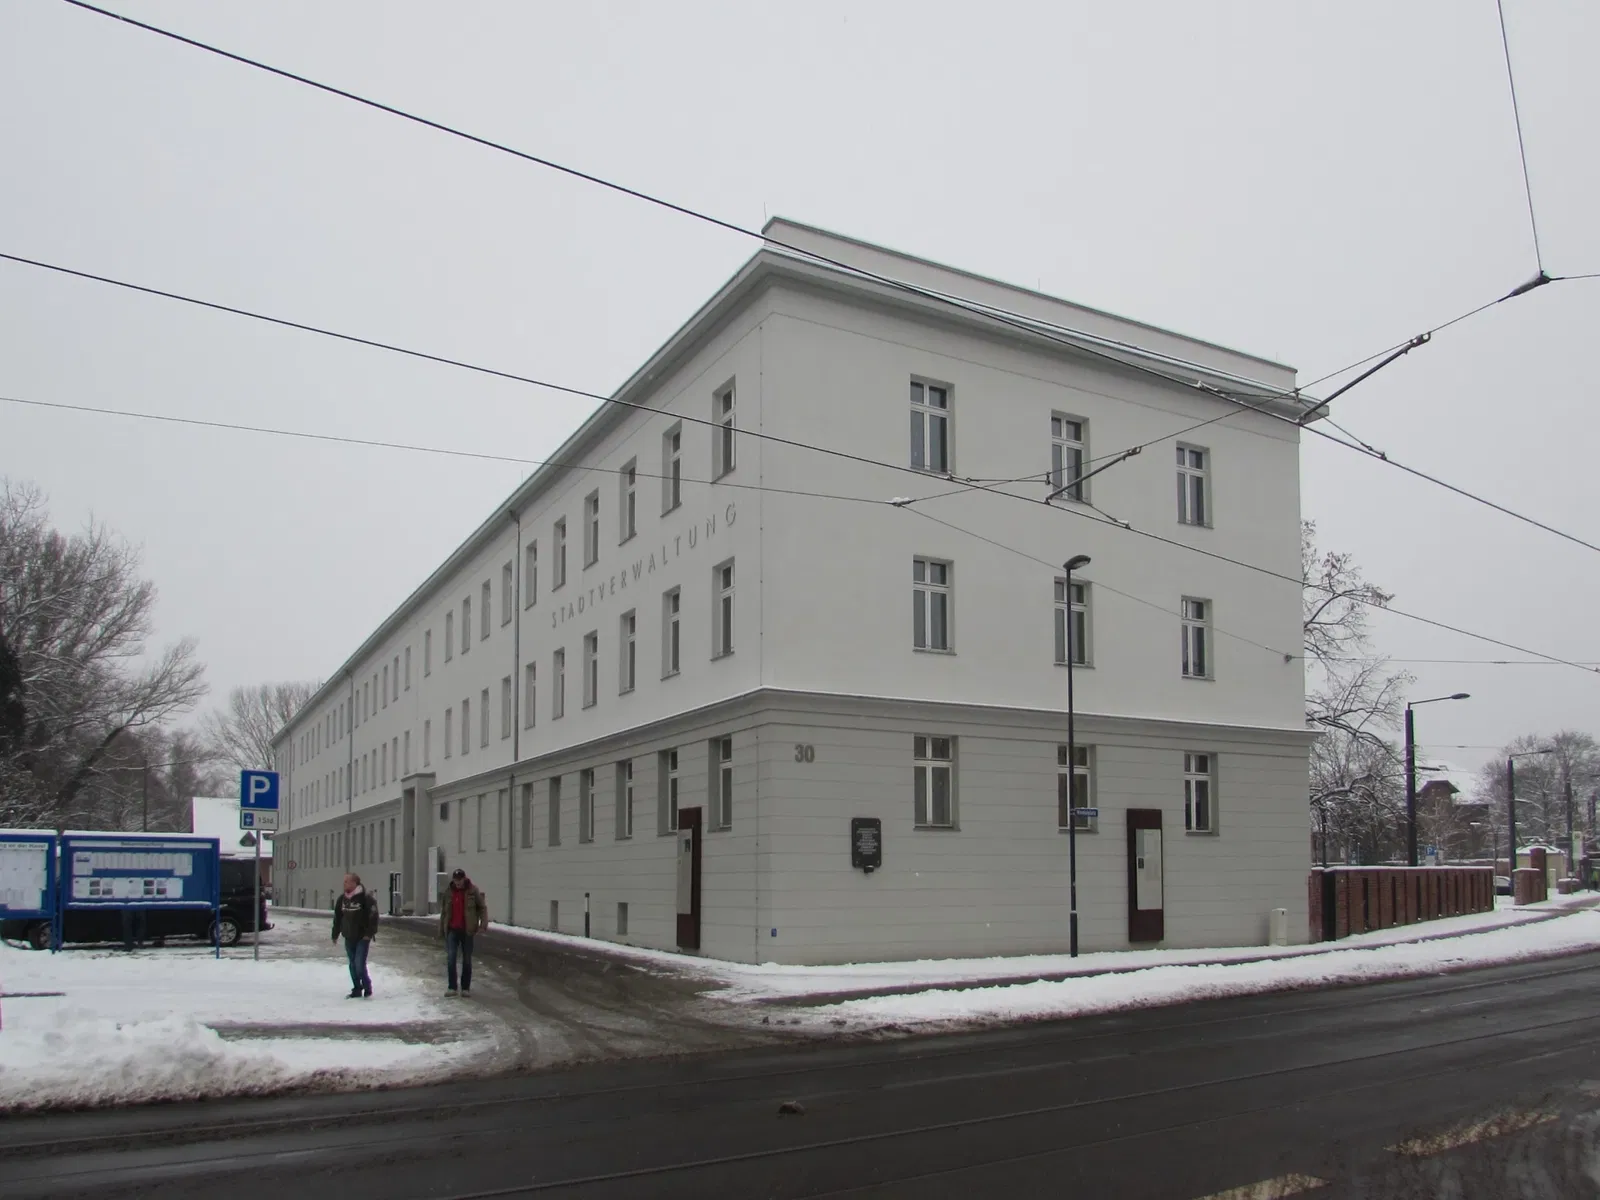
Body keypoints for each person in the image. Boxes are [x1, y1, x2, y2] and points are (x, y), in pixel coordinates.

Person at [439, 868, 488, 997]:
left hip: (467, 930)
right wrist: (441, 929)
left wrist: (483, 924)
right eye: (455, 880)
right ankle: (452, 987)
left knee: (467, 960)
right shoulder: (449, 892)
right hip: (452, 930)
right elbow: (444, 912)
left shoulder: (472, 891)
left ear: (464, 879)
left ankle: (465, 988)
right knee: (451, 958)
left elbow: (482, 907)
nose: (457, 883)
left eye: (459, 880)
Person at [331, 872, 379, 998]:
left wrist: (369, 933)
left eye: (347, 881)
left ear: (354, 883)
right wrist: (335, 934)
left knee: (359, 964)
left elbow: (373, 917)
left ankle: (367, 986)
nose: (344, 883)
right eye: (344, 881)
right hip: (348, 936)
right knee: (352, 964)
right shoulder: (342, 899)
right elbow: (338, 917)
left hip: (362, 937)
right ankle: (357, 988)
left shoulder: (366, 898)